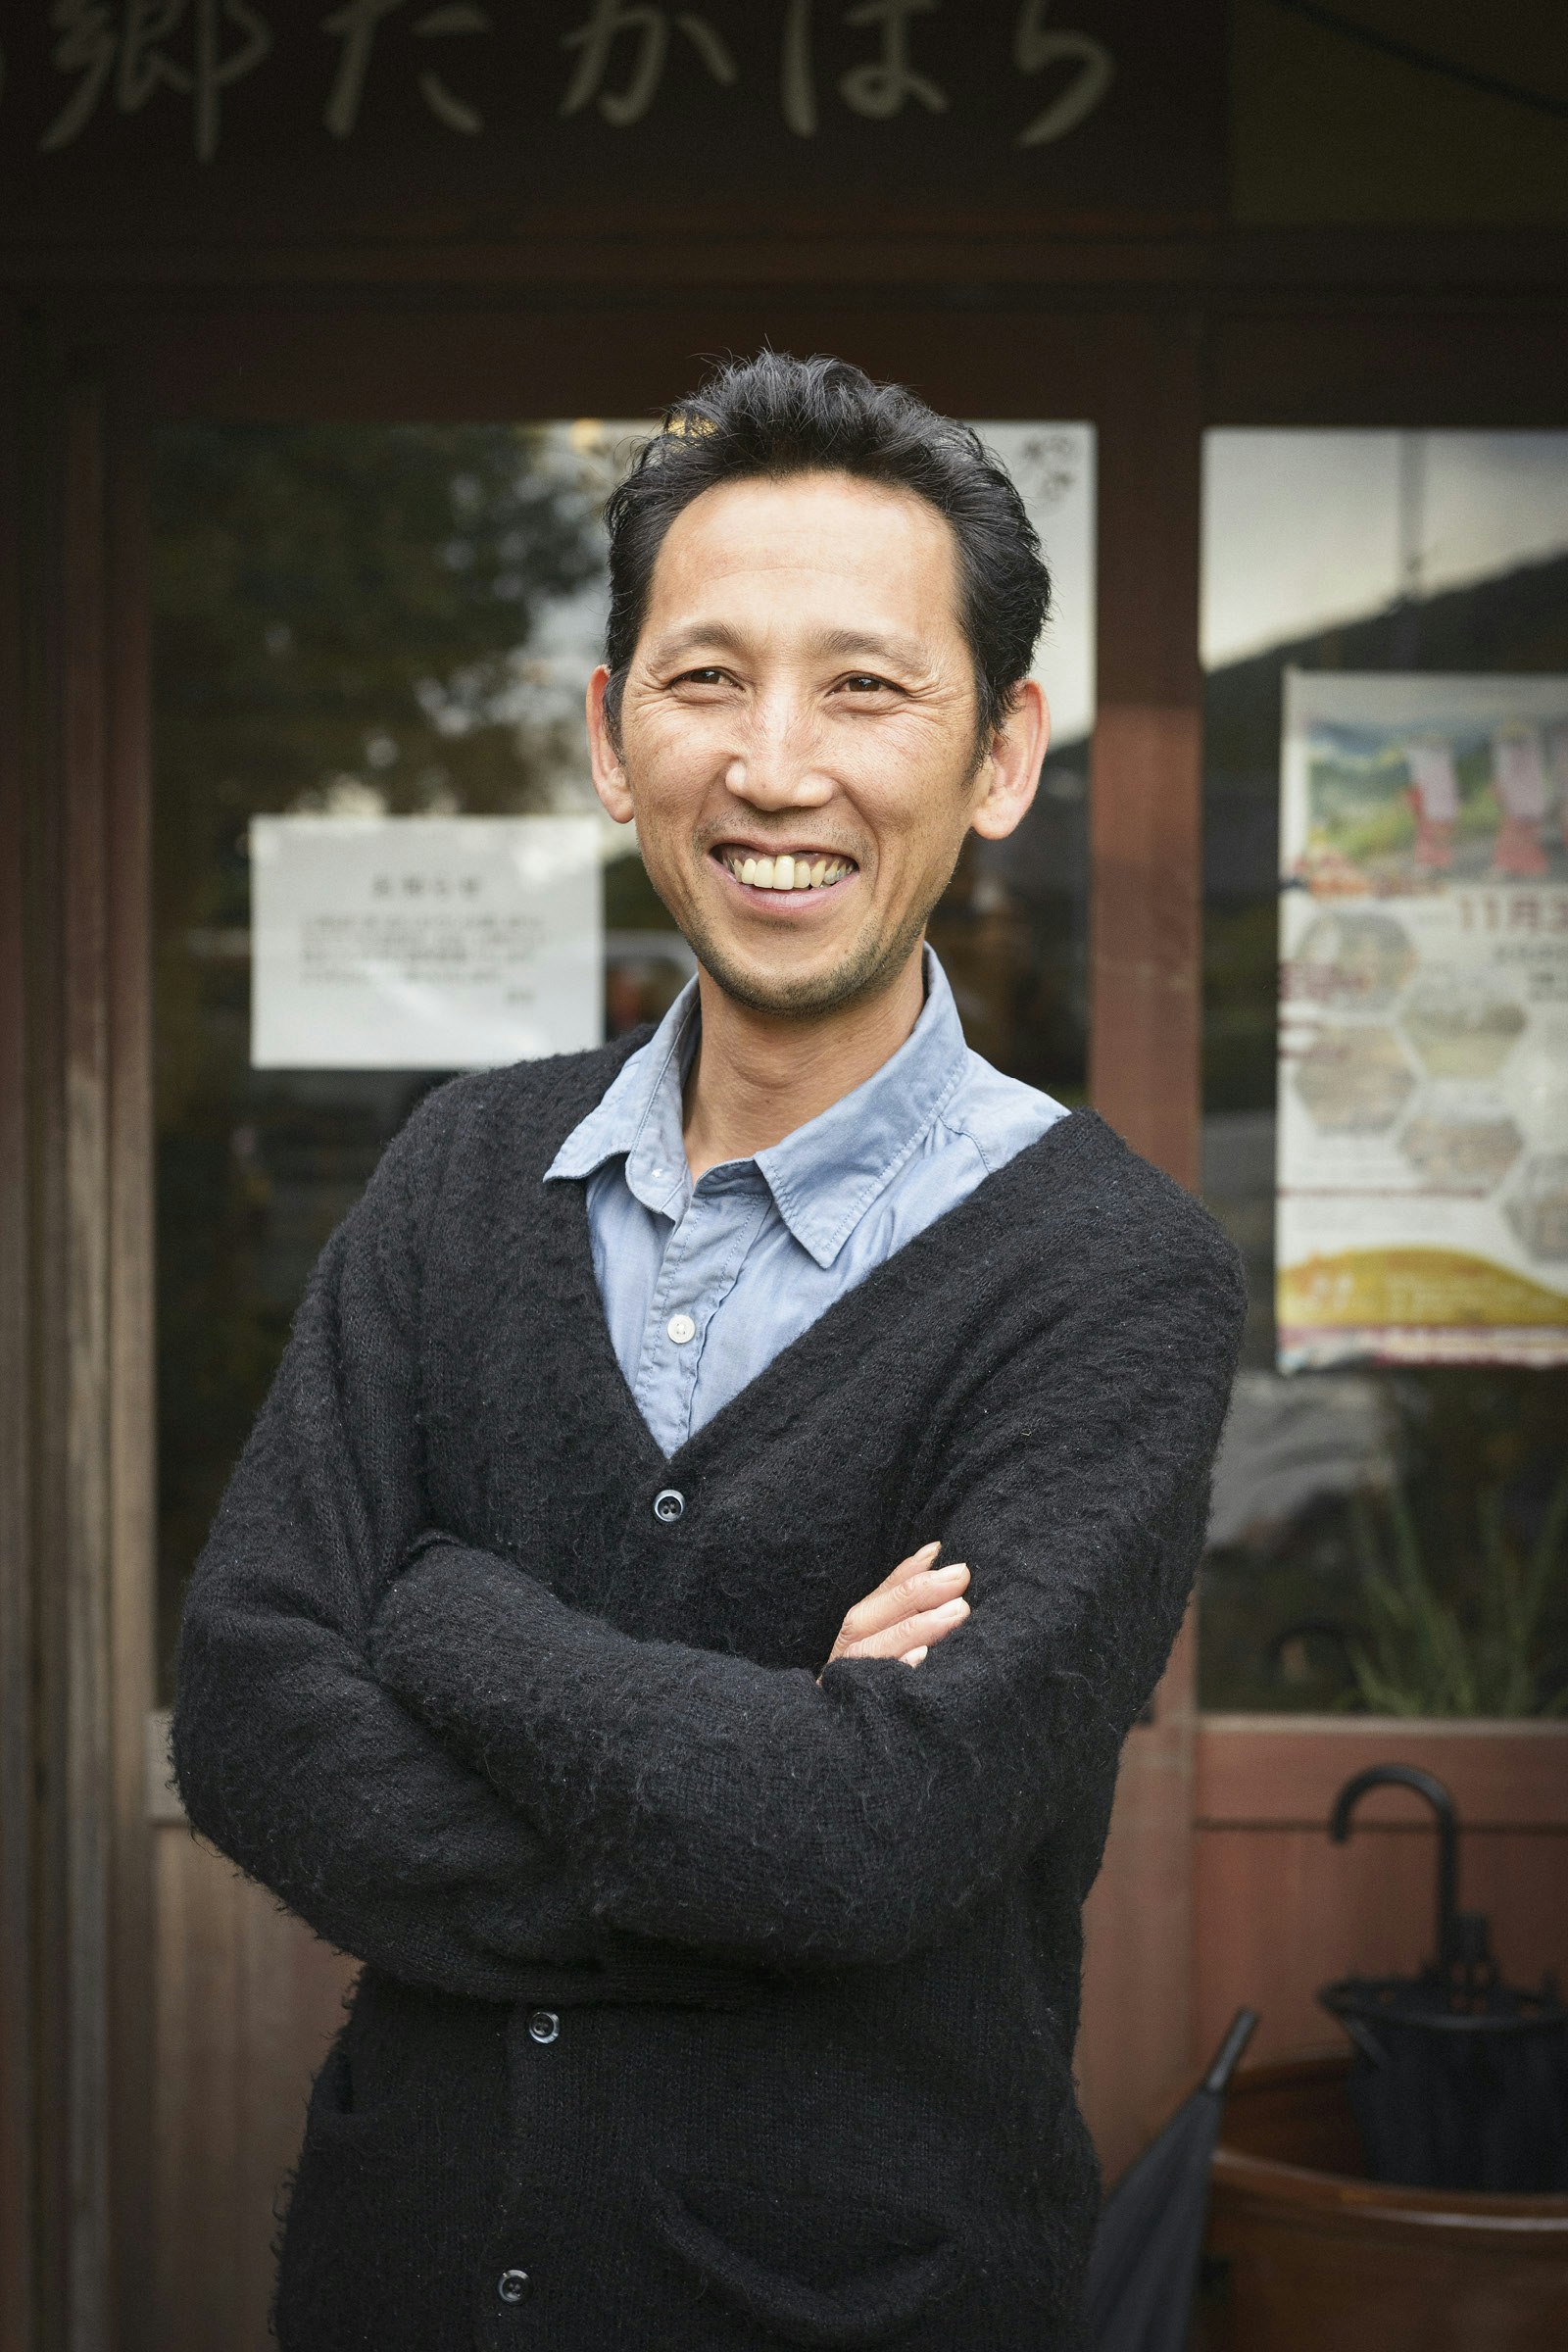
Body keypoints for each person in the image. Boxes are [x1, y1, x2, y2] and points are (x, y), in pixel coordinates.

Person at [172, 353, 1246, 2351]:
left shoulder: (1113, 1279)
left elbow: (872, 1837)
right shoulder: (459, 1172)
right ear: (607, 736)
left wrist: (441, 1616)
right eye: (702, 679)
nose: (772, 766)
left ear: (999, 753)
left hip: (868, 2309)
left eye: (864, 685)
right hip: (401, 2285)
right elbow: (244, 1699)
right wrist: (736, 1815)